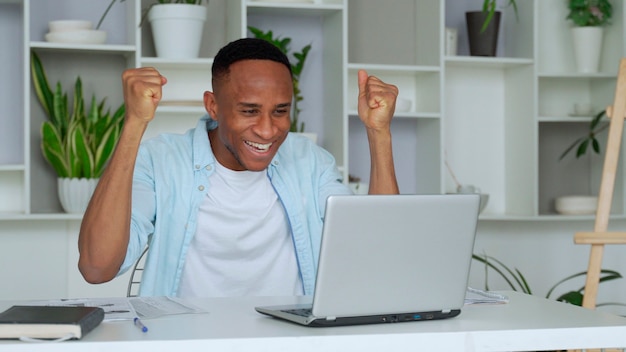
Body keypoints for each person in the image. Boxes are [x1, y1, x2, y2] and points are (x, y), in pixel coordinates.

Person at [78, 38, 399, 297]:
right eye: (249, 111)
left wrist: (378, 132)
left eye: (280, 111)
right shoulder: (162, 160)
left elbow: (376, 255)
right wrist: (135, 123)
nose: (267, 130)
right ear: (213, 106)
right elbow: (97, 267)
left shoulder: (309, 161)